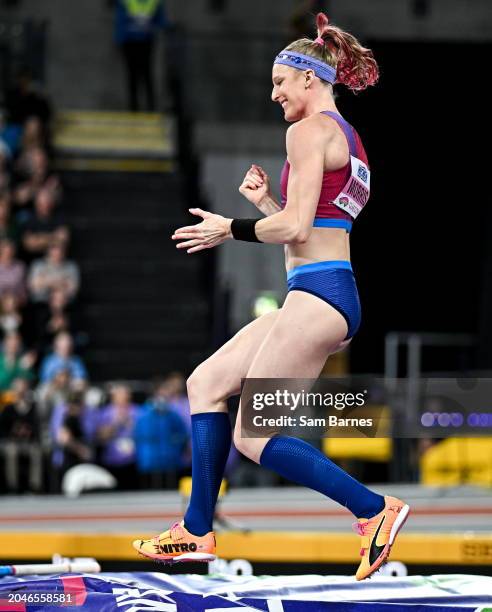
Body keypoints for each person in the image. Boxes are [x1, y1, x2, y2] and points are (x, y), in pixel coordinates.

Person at [133, 13, 410, 581]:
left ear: (310, 78)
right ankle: (195, 530)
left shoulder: (307, 132)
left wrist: (227, 228)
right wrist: (265, 205)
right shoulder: (346, 137)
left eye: (281, 81)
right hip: (319, 292)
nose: (274, 92)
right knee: (204, 384)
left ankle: (375, 510)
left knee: (254, 436)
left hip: (318, 298)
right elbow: (311, 227)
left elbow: (299, 228)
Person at [114, 0, 167, 111]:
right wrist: (119, 40)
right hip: (131, 42)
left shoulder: (153, 2)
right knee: (134, 75)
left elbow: (160, 20)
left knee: (145, 74)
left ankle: (150, 107)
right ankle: (135, 108)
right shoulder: (126, 2)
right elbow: (120, 21)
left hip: (146, 41)